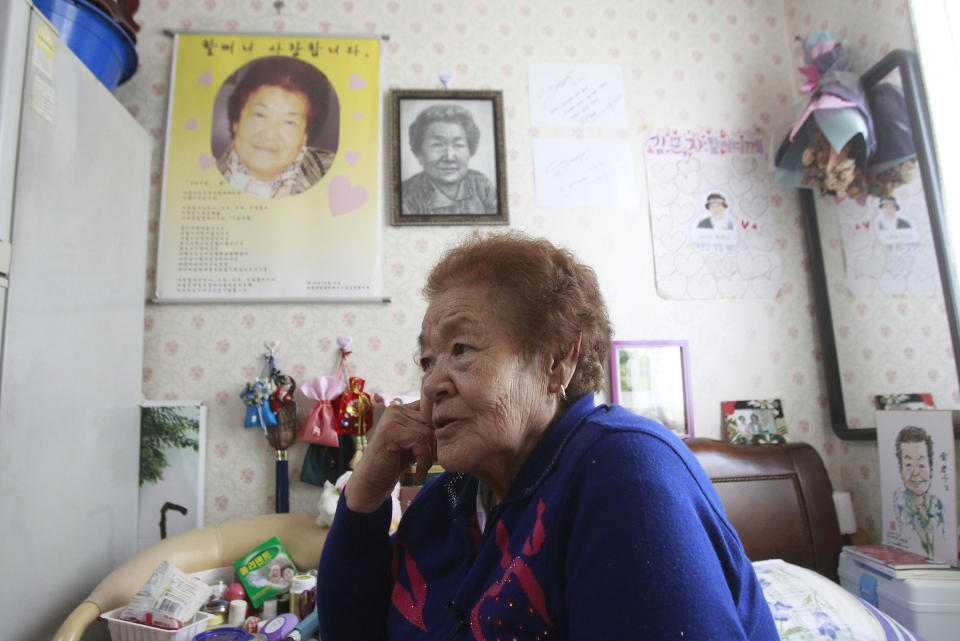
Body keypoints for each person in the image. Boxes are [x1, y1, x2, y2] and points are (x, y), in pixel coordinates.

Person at [317, 232, 777, 640]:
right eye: (427, 360)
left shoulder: (623, 470)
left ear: (557, 359)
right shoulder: (448, 499)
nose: (432, 383)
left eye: (461, 349)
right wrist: (364, 494)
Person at [216, 56, 336, 199]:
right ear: (237, 121)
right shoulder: (201, 175)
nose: (269, 134)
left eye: (289, 122)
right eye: (260, 115)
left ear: (305, 135)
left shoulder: (335, 174)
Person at [401, 104, 497, 215]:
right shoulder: (406, 196)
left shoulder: (481, 185)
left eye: (459, 145)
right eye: (437, 145)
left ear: (470, 150)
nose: (450, 157)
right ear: (419, 153)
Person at [891, 425, 945, 558]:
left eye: (921, 465)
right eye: (908, 465)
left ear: (931, 467)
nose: (915, 472)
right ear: (900, 468)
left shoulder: (937, 504)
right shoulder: (898, 501)